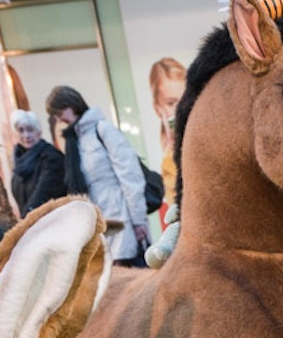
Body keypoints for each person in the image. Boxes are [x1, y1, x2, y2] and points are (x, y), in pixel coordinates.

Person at [45, 85, 148, 266]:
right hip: (98, 223)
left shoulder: (103, 130)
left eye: (60, 112)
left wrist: (139, 220)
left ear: (72, 104)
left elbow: (130, 176)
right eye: (56, 115)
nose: (59, 118)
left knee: (128, 272)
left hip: (121, 218)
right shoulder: (73, 140)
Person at [9, 109, 66, 217]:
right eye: (21, 130)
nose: (26, 135)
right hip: (32, 221)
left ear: (39, 132)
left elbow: (43, 193)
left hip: (54, 220)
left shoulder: (52, 158)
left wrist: (26, 220)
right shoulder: (19, 162)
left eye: (30, 130)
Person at [148, 57, 186, 207]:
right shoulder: (169, 157)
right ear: (158, 109)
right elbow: (177, 202)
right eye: (171, 103)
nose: (181, 108)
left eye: (185, 99)